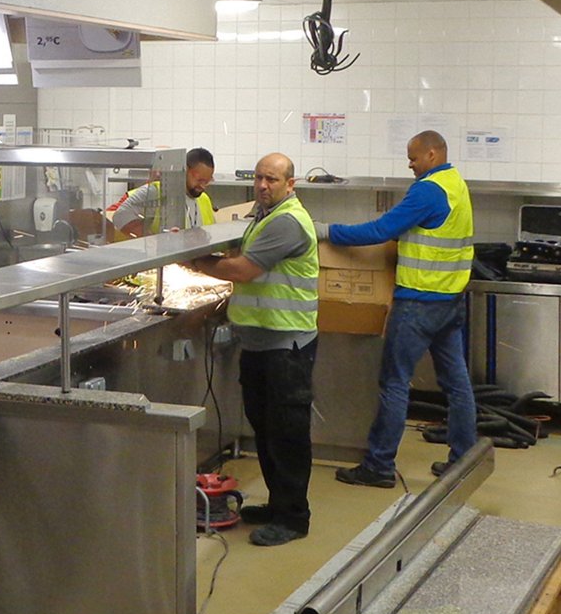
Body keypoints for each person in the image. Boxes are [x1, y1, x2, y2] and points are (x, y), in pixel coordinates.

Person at [319, 130, 477, 486]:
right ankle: (464, 458)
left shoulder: (428, 190)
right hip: (450, 302)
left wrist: (326, 231)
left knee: (394, 382)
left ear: (433, 153)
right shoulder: (456, 184)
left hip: (419, 303)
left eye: (414, 157)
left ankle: (379, 466)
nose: (410, 164)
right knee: (456, 382)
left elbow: (382, 230)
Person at [186, 153, 319, 547]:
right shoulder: (263, 217)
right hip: (261, 343)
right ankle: (278, 506)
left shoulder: (287, 222)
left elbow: (243, 270)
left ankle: (294, 518)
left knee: (288, 434)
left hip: (287, 346)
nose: (263, 185)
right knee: (265, 429)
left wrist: (195, 261)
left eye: (272, 180)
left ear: (290, 185)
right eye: (259, 178)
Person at [110, 147, 216, 237]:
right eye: (199, 180)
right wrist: (152, 239)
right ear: (185, 170)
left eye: (207, 181)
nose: (202, 186)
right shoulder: (157, 192)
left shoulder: (204, 199)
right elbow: (120, 216)